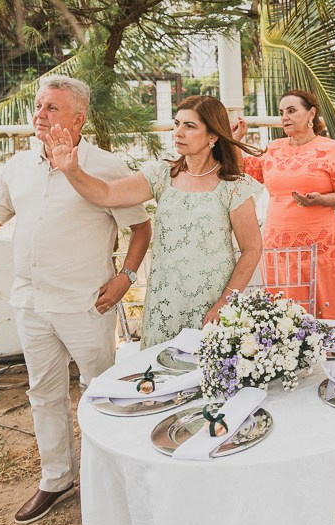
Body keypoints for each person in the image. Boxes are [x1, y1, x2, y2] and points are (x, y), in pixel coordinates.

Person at [0, 76, 151, 524]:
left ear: (79, 118)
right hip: (30, 303)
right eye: (38, 106)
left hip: (87, 303)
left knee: (101, 393)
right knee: (44, 394)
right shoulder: (16, 167)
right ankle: (56, 479)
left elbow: (140, 227)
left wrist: (126, 278)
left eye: (52, 107)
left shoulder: (107, 166)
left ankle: (105, 481)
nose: (40, 114)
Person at [49, 95, 265, 347]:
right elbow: (106, 194)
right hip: (165, 301)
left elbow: (252, 249)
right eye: (177, 124)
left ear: (213, 136)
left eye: (190, 126)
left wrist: (224, 303)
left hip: (213, 302)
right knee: (161, 377)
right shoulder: (162, 175)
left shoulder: (234, 187)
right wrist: (72, 170)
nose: (178, 132)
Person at [239, 89, 335, 320]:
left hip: (321, 248)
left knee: (324, 313)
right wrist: (234, 140)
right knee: (284, 318)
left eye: (292, 110)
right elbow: (244, 169)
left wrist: (321, 200)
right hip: (279, 248)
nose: (285, 117)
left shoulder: (330, 149)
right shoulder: (274, 148)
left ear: (311, 114)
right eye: (281, 112)